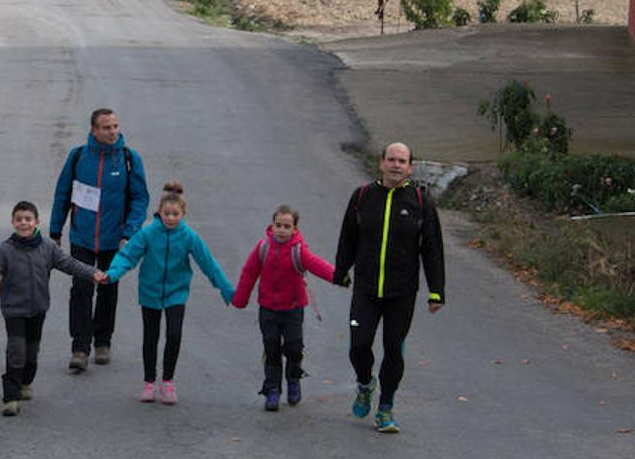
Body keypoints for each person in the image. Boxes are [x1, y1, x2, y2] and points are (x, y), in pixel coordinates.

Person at [333, 142, 446, 433]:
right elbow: (348, 236)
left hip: (402, 292)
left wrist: (437, 290)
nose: (396, 165)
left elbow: (432, 249)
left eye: (402, 161)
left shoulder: (420, 202)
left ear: (409, 167)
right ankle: (365, 383)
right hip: (366, 289)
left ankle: (386, 408)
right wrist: (341, 270)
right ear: (381, 163)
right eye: (392, 159)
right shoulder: (362, 197)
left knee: (393, 350)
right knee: (359, 346)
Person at [103, 182, 233, 405]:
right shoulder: (148, 233)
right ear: (159, 212)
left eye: (176, 214)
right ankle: (149, 382)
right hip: (150, 291)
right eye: (167, 213)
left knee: (174, 334)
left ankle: (168, 381)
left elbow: (208, 263)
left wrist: (226, 289)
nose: (171, 218)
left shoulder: (189, 236)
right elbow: (128, 256)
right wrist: (112, 274)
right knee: (150, 337)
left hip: (176, 292)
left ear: (183, 214)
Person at [0, 201, 106, 416]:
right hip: (13, 309)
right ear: (13, 222)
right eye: (19, 219)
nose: (23, 223)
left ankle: (26, 382)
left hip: (38, 308)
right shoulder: (4, 250)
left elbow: (70, 264)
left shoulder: (48, 247)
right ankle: (11, 397)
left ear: (36, 222)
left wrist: (93, 273)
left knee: (31, 352)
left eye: (28, 219)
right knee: (16, 349)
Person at [49, 108, 149, 372]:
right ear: (93, 130)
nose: (113, 132)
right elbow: (63, 193)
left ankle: (103, 342)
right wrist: (55, 232)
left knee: (107, 288)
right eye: (106, 127)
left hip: (115, 239)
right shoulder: (78, 156)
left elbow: (140, 198)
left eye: (115, 126)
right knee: (81, 288)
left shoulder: (129, 158)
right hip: (82, 236)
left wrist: (130, 231)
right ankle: (80, 348)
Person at [231, 206, 336, 411]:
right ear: (272, 225)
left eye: (286, 226)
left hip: (293, 309)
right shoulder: (263, 248)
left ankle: (294, 379)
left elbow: (318, 266)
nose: (281, 230)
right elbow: (249, 273)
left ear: (294, 229)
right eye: (278, 225)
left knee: (293, 348)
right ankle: (272, 390)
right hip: (268, 309)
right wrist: (240, 299)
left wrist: (339, 276)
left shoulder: (298, 250)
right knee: (271, 350)